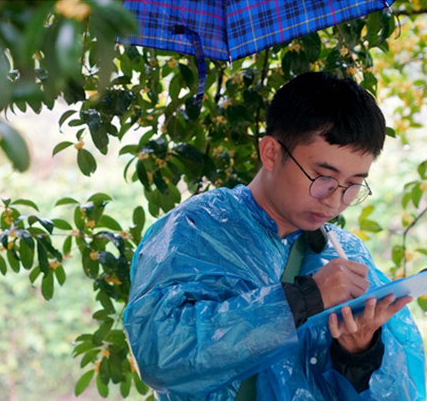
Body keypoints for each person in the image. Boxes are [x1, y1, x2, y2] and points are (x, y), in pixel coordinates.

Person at [124, 72, 425, 401]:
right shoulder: (195, 229)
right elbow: (161, 358)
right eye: (324, 177)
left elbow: (396, 392)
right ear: (270, 153)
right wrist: (306, 298)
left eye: (353, 185)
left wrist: (359, 354)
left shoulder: (345, 254)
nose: (335, 200)